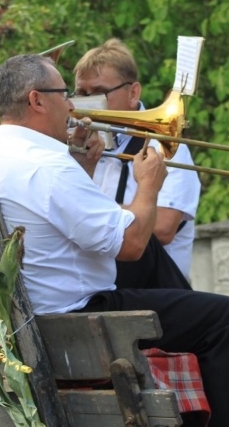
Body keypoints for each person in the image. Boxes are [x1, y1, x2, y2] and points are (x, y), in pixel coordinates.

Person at [0, 54, 229, 426]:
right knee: (225, 316)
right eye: (65, 93)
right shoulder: (45, 164)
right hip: (74, 319)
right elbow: (134, 243)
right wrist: (149, 186)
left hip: (21, 323)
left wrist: (82, 169)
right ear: (37, 100)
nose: (72, 105)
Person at [73, 38, 201, 280]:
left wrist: (86, 210)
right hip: (100, 284)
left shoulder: (162, 143)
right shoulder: (78, 142)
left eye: (100, 92)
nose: (87, 103)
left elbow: (163, 228)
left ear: (133, 92)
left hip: (156, 285)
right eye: (81, 93)